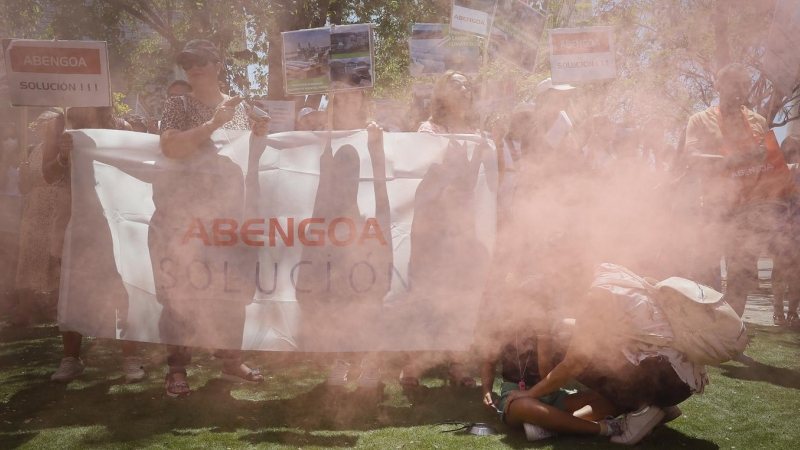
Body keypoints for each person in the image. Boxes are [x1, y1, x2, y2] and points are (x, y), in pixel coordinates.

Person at [154, 39, 269, 397]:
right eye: (188, 63)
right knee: (180, 292)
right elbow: (170, 146)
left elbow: (252, 160)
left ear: (218, 65)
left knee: (232, 291)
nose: (195, 68)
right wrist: (211, 124)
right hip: (184, 217)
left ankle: (231, 361)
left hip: (230, 216)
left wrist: (261, 137)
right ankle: (176, 369)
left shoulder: (241, 107)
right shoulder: (179, 104)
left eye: (202, 61)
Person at [504, 264, 703, 445]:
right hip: (680, 381)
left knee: (570, 344)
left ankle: (641, 408)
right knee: (575, 337)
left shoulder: (597, 293)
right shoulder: (614, 275)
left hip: (663, 379)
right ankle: (655, 405)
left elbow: (576, 361)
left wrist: (530, 392)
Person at [685, 63, 798, 317]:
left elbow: (771, 171)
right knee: (707, 269)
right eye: (735, 83)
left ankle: (731, 327)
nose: (741, 89)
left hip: (751, 210)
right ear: (719, 86)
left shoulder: (758, 121)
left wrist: (777, 207)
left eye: (746, 84)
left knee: (741, 272)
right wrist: (741, 159)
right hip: (715, 207)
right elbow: (691, 158)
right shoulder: (700, 119)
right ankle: (703, 325)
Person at [44, 106, 146, 383]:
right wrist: (63, 157)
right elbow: (48, 175)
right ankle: (71, 360)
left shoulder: (121, 127)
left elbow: (136, 169)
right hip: (74, 220)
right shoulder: (58, 126)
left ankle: (131, 357)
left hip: (114, 220)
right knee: (72, 288)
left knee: (121, 286)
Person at [403, 70, 483, 388]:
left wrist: (489, 146)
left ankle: (458, 365)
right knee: (423, 294)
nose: (464, 88)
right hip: (432, 228)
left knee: (458, 297)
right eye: (455, 83)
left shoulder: (476, 132)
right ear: (441, 93)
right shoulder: (429, 128)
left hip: (462, 229)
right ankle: (410, 366)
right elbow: (422, 171)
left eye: (467, 83)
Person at [11, 112, 63, 326]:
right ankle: (25, 311)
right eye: (40, 124)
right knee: (28, 258)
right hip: (34, 211)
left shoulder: (63, 149)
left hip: (57, 208)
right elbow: (24, 189)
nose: (42, 128)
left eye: (47, 124)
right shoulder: (33, 151)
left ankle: (58, 309)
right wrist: (24, 176)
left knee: (55, 257)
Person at [773, 133, 800, 327]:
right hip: (781, 230)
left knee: (796, 273)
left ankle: (792, 312)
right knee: (781, 272)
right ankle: (778, 311)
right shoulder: (780, 172)